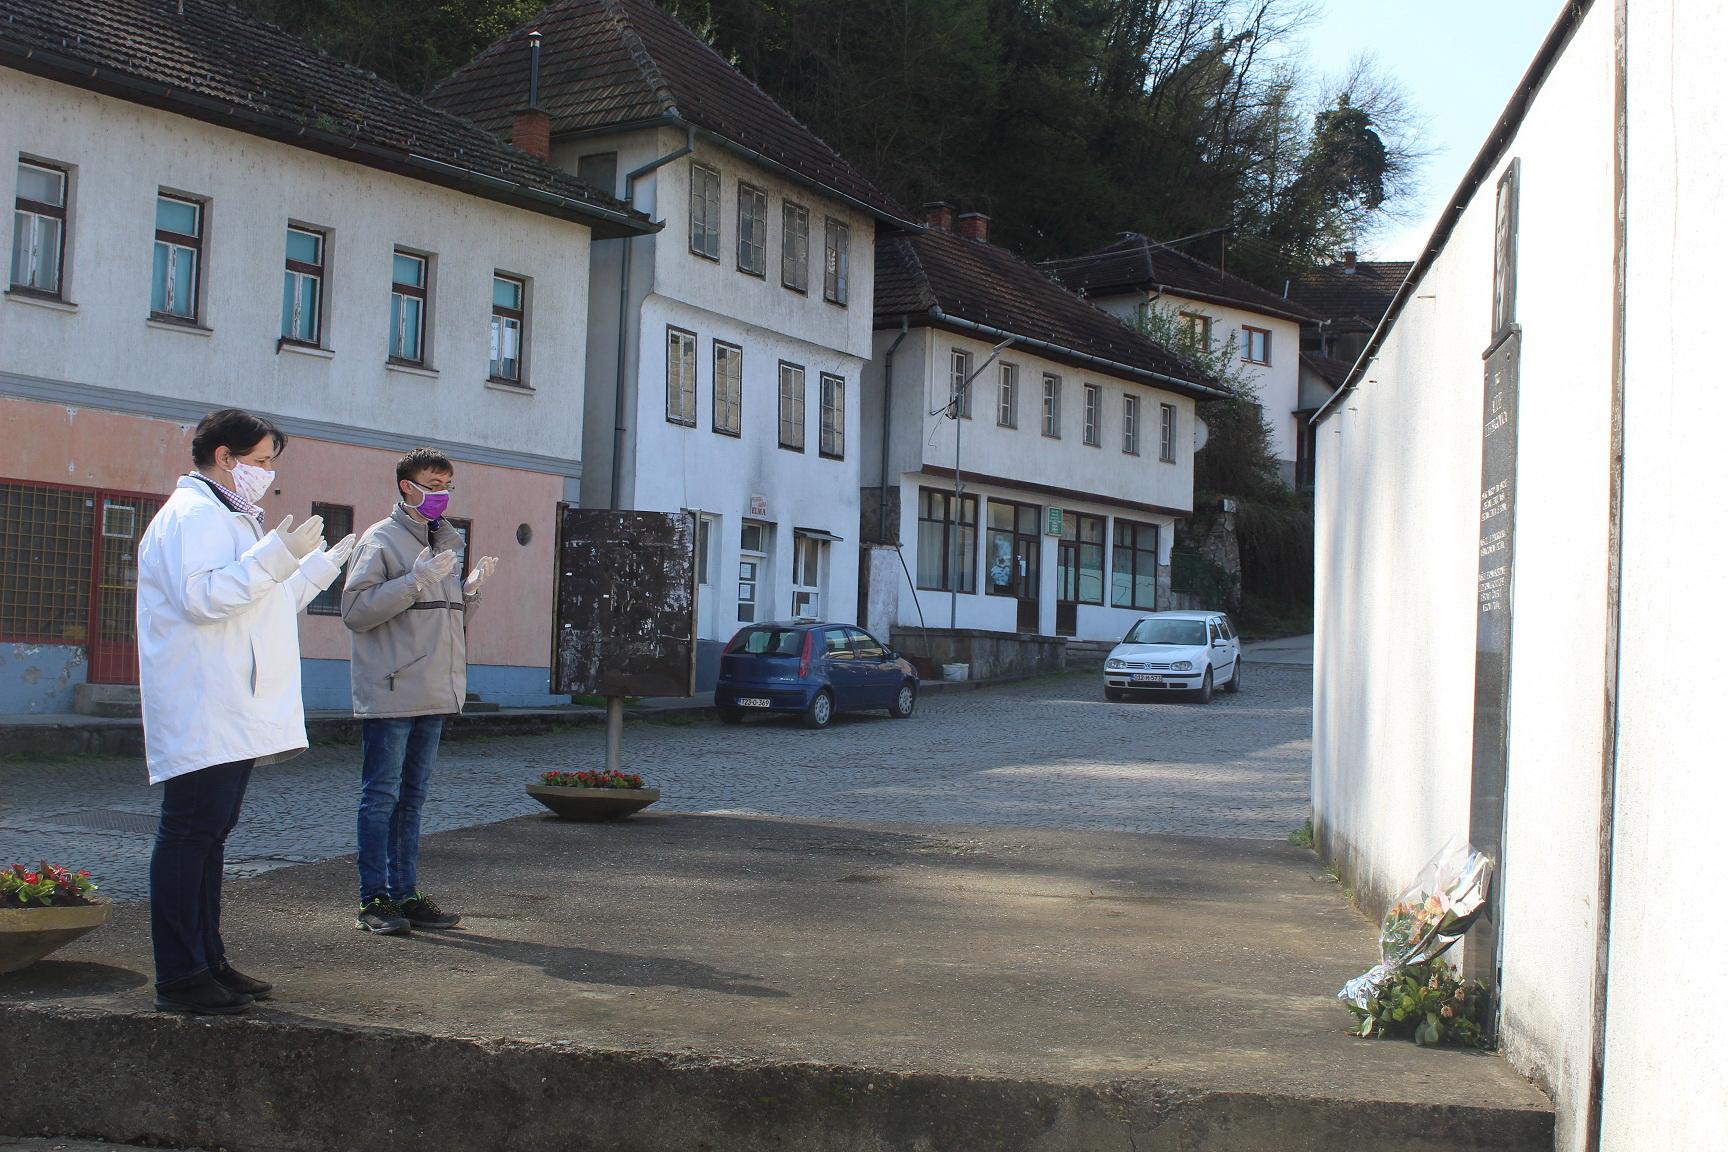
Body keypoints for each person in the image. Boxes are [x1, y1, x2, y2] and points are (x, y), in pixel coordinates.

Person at [136, 408, 356, 1015]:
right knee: (189, 835)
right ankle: (180, 975)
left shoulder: (227, 516)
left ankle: (206, 959)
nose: (267, 472)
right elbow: (204, 598)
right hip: (205, 701)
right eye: (259, 461)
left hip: (232, 702)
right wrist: (273, 558)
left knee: (210, 837)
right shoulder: (194, 515)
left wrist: (315, 564)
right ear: (225, 457)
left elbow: (266, 603)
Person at [342, 448, 497, 935]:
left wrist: (468, 595)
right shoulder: (381, 540)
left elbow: (441, 624)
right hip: (393, 689)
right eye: (432, 484)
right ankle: (374, 899)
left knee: (413, 798)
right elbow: (357, 611)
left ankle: (405, 893)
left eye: (447, 484)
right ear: (406, 486)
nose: (441, 494)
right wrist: (413, 581)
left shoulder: (444, 541)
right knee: (381, 796)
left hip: (432, 687)